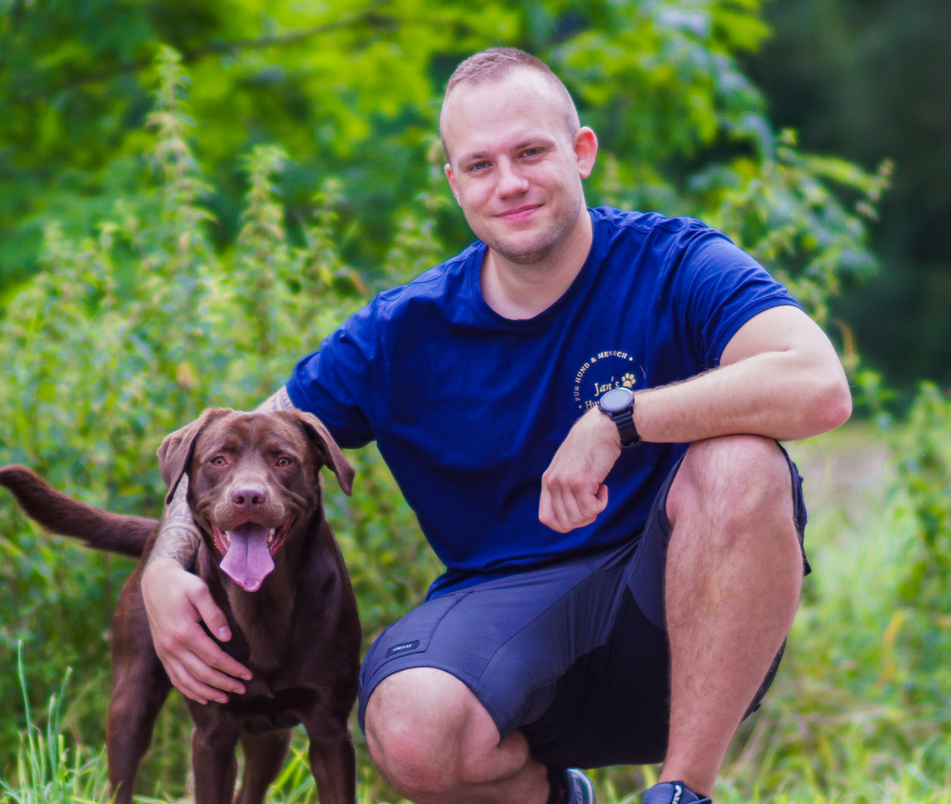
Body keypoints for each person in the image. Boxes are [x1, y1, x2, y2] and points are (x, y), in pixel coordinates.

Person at [140, 48, 852, 804]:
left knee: (741, 459)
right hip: (509, 624)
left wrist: (622, 417)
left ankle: (683, 795)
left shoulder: (673, 263)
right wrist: (164, 565)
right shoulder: (400, 331)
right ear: (454, 184)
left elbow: (818, 385)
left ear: (581, 153)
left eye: (530, 152)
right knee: (410, 726)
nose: (508, 183)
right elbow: (246, 443)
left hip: (677, 618)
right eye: (479, 165)